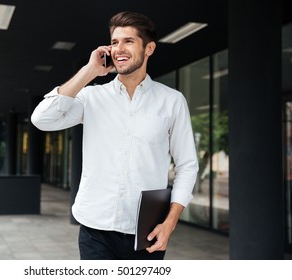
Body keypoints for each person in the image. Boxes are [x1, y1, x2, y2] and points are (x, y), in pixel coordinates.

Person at [32, 11, 198, 260]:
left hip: (147, 231)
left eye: (128, 41)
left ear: (149, 48)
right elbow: (42, 119)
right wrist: (89, 71)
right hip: (95, 230)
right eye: (114, 42)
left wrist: (170, 222)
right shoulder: (92, 97)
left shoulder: (172, 101)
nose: (119, 48)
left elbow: (187, 165)